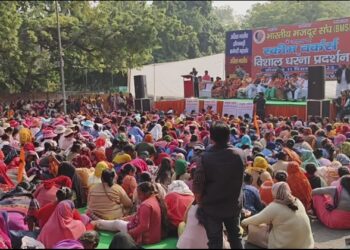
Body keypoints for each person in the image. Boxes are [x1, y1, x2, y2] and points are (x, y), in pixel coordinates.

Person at [193, 121, 244, 249]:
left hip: (212, 207)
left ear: (211, 138)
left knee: (215, 241)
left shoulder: (205, 158)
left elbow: (198, 184)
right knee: (235, 237)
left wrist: (199, 202)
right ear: (229, 137)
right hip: (233, 204)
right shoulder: (240, 154)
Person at [241, 182, 314, 249]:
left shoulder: (275, 206)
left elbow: (256, 220)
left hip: (284, 246)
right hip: (307, 245)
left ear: (274, 193)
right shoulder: (297, 201)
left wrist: (243, 222)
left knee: (253, 225)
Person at [93, 182, 169, 245]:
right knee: (119, 222)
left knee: (117, 223)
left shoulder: (146, 205)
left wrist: (129, 233)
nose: (138, 197)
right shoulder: (156, 199)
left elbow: (144, 226)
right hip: (155, 237)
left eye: (139, 194)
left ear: (146, 193)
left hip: (146, 239)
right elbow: (139, 217)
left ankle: (97, 223)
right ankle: (99, 222)